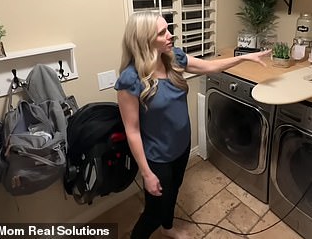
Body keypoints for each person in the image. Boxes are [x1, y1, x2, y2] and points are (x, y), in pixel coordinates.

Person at [115, 12, 271, 239]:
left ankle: (167, 228)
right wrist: (146, 173)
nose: (170, 35)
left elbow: (211, 67)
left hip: (181, 146)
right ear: (144, 40)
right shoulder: (131, 79)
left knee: (174, 190)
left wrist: (245, 58)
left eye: (167, 29)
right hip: (157, 156)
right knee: (153, 212)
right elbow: (132, 130)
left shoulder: (173, 58)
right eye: (162, 33)